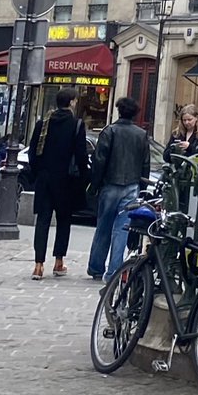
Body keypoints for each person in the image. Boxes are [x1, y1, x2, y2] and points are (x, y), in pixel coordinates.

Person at [86, 97, 151, 283]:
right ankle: (114, 270)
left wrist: (95, 184)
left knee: (103, 227)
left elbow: (99, 161)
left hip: (110, 183)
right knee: (121, 229)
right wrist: (143, 187)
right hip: (131, 184)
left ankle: (96, 267)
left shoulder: (110, 131)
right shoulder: (141, 134)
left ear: (119, 111)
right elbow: (145, 163)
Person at [27, 88, 88, 280]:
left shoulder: (43, 123)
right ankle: (59, 261)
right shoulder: (76, 124)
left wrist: (38, 173)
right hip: (66, 180)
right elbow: (81, 155)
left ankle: (38, 265)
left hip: (45, 179)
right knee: (64, 221)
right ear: (71, 102)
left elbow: (32, 151)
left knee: (43, 221)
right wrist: (85, 177)